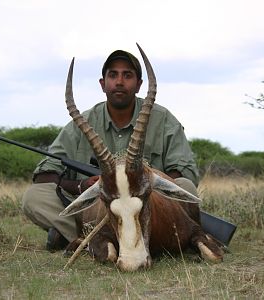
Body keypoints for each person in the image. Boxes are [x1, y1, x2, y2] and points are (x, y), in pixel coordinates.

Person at [22, 49, 199, 251]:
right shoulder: (84, 121)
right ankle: (92, 238)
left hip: (148, 208)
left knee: (185, 186)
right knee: (34, 196)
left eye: (128, 75)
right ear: (102, 84)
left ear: (139, 84)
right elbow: (44, 175)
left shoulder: (162, 118)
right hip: (97, 207)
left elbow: (185, 173)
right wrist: (81, 186)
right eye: (113, 75)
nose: (120, 82)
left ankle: (99, 242)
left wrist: (146, 183)